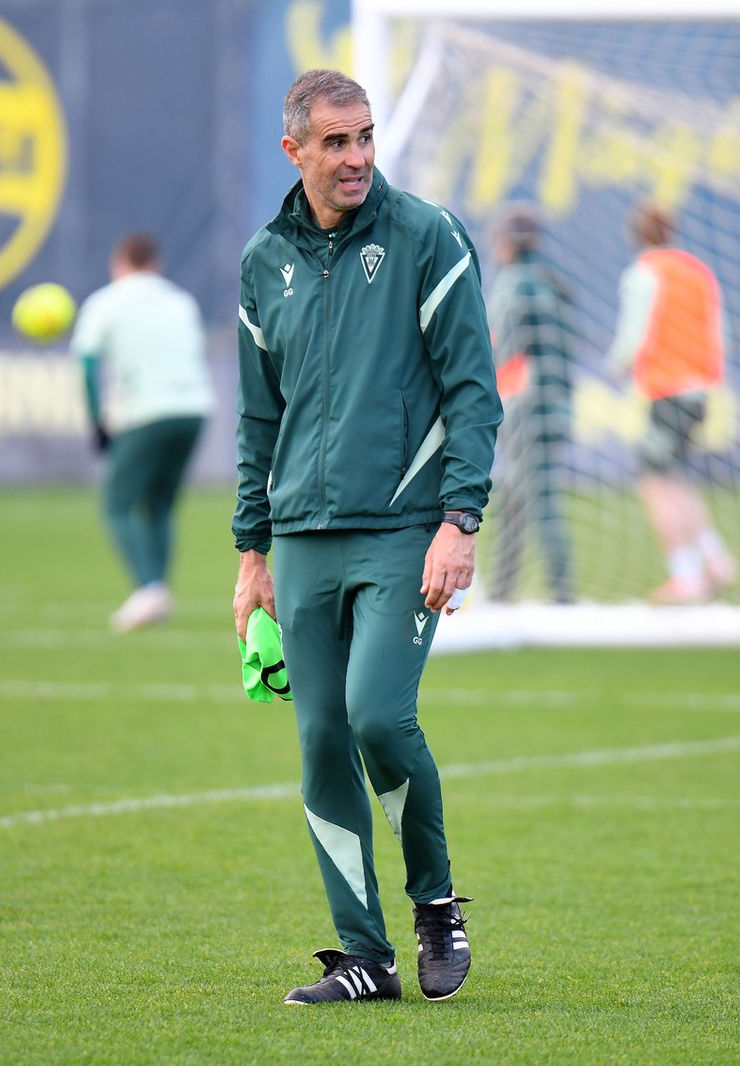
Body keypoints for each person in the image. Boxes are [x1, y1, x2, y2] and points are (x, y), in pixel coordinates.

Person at [232, 69, 502, 1005]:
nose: (355, 158)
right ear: (295, 150)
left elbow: (475, 391)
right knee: (318, 743)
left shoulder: (429, 236)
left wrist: (459, 522)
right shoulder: (265, 259)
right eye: (336, 143)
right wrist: (250, 552)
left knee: (379, 719)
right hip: (299, 538)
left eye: (365, 138)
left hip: (402, 531)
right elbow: (258, 418)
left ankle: (435, 904)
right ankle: (364, 956)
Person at [71, 233, 215, 632]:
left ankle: (149, 588)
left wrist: (97, 420)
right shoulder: (180, 300)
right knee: (160, 504)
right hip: (194, 409)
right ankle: (158, 590)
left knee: (118, 503)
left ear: (119, 264)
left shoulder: (106, 302)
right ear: (156, 264)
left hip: (144, 412)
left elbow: (86, 363)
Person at [607, 200, 738, 603]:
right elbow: (720, 332)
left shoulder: (645, 273)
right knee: (675, 475)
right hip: (700, 388)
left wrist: (616, 367)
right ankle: (716, 560)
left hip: (666, 389)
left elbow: (634, 338)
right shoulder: (699, 271)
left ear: (636, 237)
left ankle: (687, 575)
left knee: (655, 482)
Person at [484, 204, 574, 604]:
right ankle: (505, 589)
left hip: (524, 408)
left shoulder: (513, 286)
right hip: (553, 404)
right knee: (516, 499)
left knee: (536, 499)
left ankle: (560, 593)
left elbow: (503, 349)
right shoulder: (551, 283)